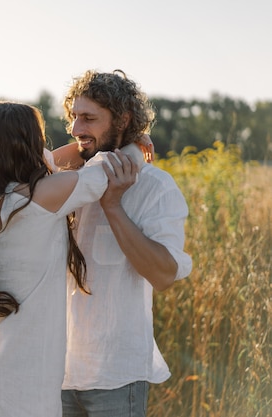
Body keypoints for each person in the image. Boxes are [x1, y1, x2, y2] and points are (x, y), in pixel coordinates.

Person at [0, 100, 142, 417]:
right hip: (21, 393)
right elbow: (109, 168)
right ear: (27, 146)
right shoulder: (42, 197)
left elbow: (56, 158)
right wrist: (131, 141)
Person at [53, 70, 193, 417]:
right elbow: (18, 179)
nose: (75, 128)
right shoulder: (69, 182)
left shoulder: (156, 188)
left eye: (89, 118)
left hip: (116, 376)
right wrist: (123, 144)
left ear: (123, 119)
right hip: (56, 369)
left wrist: (113, 206)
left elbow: (163, 274)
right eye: (73, 117)